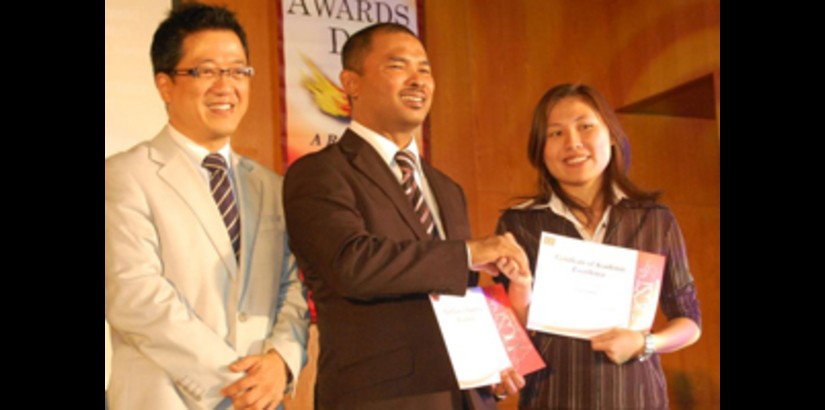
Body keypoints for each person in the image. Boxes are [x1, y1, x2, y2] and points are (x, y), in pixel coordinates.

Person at [283, 23, 532, 409]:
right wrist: (468, 253)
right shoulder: (319, 173)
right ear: (351, 83)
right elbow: (353, 264)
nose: (418, 80)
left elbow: (453, 294)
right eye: (398, 66)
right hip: (380, 398)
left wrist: (490, 373)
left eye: (426, 69)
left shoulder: (447, 189)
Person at [105, 3, 309, 409]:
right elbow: (135, 296)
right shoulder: (124, 175)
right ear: (165, 85)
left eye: (237, 70)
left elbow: (294, 288)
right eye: (206, 71)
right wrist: (237, 382)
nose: (225, 85)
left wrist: (281, 363)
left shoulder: (271, 186)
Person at [495, 83, 702, 409]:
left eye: (585, 126)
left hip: (635, 397)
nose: (573, 143)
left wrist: (644, 343)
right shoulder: (519, 224)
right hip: (553, 396)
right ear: (540, 150)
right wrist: (521, 286)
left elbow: (689, 320)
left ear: (611, 135)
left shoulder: (653, 220)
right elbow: (513, 331)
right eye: (556, 133)